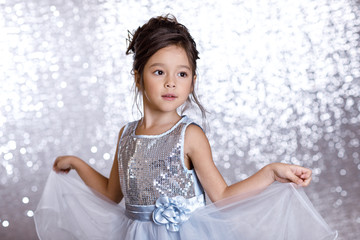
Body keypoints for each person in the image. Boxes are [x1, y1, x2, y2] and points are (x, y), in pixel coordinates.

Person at [34, 15, 337, 240]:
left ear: (192, 80)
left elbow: (222, 195)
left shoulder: (189, 135)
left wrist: (270, 172)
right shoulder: (126, 134)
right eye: (158, 72)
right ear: (138, 77)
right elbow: (113, 193)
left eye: (182, 73)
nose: (170, 82)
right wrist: (76, 163)